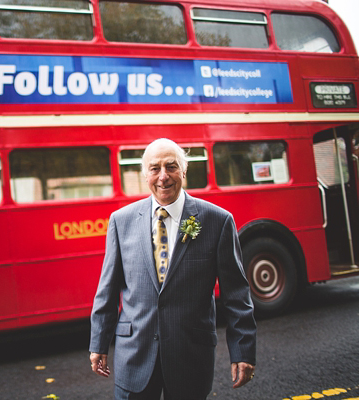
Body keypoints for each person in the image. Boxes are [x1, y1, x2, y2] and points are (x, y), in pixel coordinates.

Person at [89, 138, 256, 399]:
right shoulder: (121, 221)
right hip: (134, 355)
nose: (163, 177)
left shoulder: (218, 221)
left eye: (172, 167)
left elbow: (236, 294)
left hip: (190, 356)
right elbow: (107, 290)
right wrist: (98, 343)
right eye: (155, 168)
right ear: (145, 175)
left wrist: (243, 351)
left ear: (184, 171)